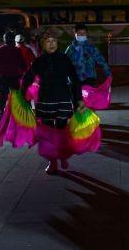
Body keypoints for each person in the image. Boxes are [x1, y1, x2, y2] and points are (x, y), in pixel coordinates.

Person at [21, 29, 85, 174]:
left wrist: (79, 99)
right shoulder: (38, 61)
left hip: (63, 99)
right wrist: (22, 94)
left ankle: (63, 155)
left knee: (62, 130)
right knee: (47, 133)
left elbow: (75, 80)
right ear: (42, 44)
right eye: (48, 41)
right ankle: (52, 161)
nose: (51, 44)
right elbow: (27, 78)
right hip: (45, 100)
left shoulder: (65, 59)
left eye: (54, 41)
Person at [0, 30, 28, 122]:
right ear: (13, 39)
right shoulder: (17, 50)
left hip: (3, 76)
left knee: (2, 95)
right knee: (16, 95)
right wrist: (25, 72)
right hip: (15, 76)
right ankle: (17, 113)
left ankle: (0, 111)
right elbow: (22, 63)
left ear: (4, 39)